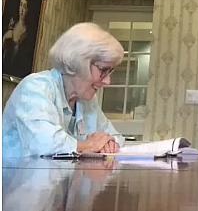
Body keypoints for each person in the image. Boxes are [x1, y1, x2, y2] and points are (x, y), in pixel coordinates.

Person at [2, 22, 125, 158]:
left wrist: (109, 144)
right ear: (77, 62)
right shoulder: (35, 87)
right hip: (17, 177)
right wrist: (87, 145)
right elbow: (44, 144)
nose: (108, 81)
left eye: (110, 71)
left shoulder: (86, 99)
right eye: (103, 70)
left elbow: (114, 136)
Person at [2, 0, 35, 78]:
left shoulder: (28, 34)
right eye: (21, 5)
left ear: (28, 10)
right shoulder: (11, 25)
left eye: (24, 6)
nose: (22, 10)